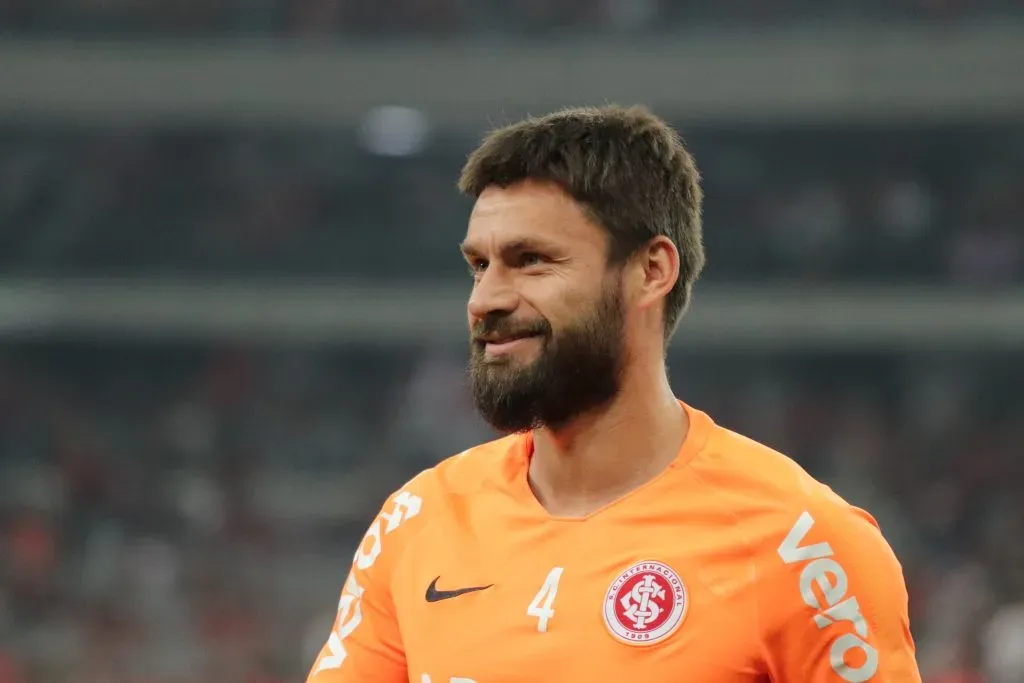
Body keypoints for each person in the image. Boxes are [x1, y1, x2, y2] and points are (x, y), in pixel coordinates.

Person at [306, 105, 922, 682]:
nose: (485, 299)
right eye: (479, 265)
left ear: (651, 271)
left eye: (532, 260)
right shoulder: (418, 521)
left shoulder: (807, 548)